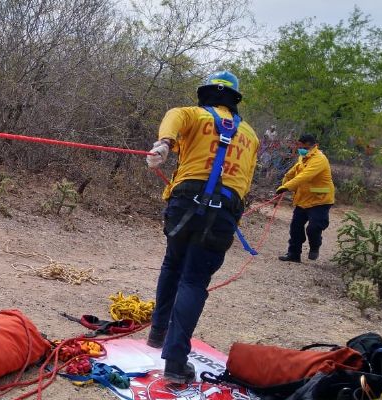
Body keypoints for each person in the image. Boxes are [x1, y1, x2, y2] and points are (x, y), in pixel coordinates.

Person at [145, 71, 259, 383]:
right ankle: (175, 362)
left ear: (206, 93)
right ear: (234, 100)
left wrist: (165, 143)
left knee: (172, 263)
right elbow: (246, 179)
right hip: (224, 209)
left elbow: (175, 114)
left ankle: (157, 333)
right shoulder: (250, 135)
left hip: (185, 200)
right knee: (194, 280)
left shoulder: (195, 115)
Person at [276, 134, 335, 263]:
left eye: (304, 147)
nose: (301, 149)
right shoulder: (303, 157)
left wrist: (287, 187)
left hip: (320, 200)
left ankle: (315, 246)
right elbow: (295, 170)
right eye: (300, 146)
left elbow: (305, 176)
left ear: (312, 145)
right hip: (303, 199)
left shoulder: (320, 159)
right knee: (296, 227)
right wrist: (285, 180)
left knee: (314, 228)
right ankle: (293, 254)